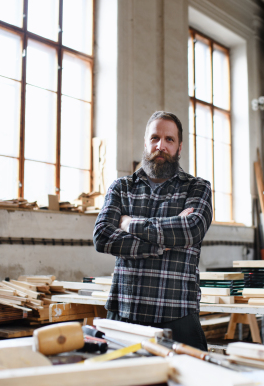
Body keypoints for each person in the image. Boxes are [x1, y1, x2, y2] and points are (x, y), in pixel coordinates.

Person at [93, 111, 212, 350]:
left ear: (179, 148)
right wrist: (162, 243)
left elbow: (191, 229)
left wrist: (129, 224)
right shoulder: (121, 187)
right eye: (155, 138)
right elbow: (103, 237)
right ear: (146, 143)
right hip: (125, 310)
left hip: (178, 314)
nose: (161, 145)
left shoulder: (197, 188)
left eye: (169, 139)